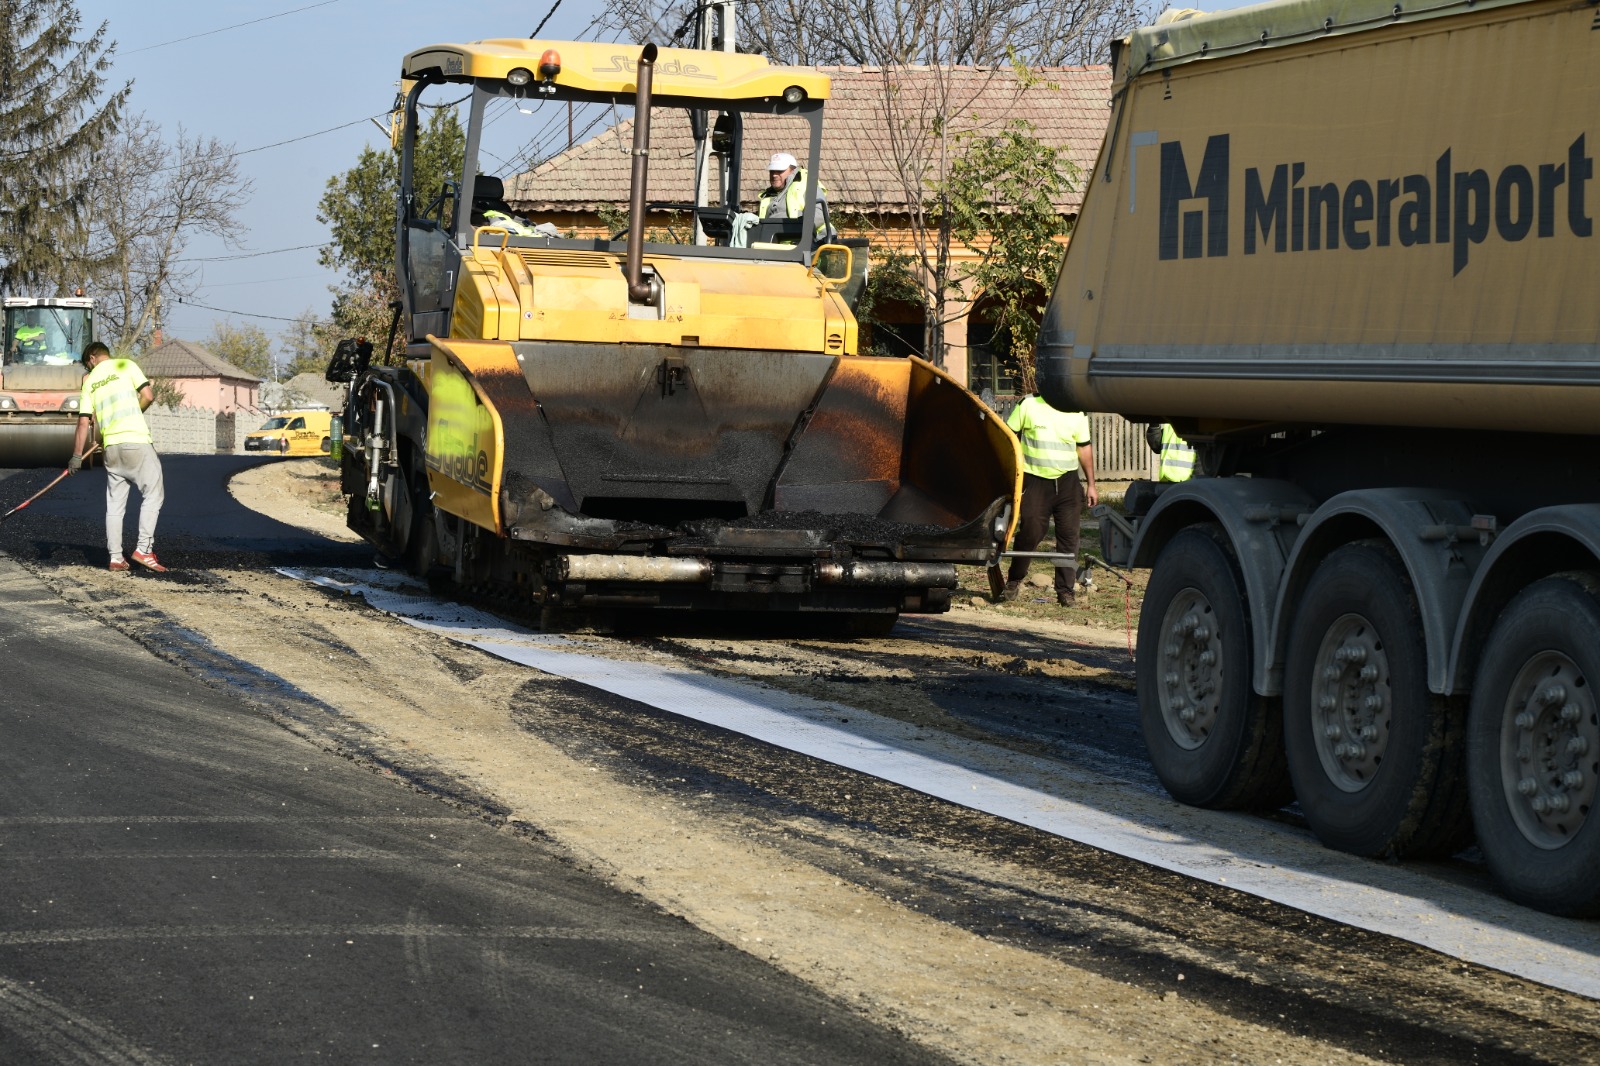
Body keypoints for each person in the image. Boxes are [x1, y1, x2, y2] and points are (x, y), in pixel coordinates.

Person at [69, 342, 167, 573]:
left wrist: (76, 456)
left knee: (114, 505)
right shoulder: (126, 365)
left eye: (87, 365)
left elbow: (83, 421)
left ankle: (115, 557)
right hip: (136, 441)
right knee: (153, 494)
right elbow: (148, 395)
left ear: (92, 358)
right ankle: (144, 549)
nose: (89, 370)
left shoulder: (90, 381)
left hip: (111, 447)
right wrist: (135, 410)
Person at [1003, 391, 1097, 605]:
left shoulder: (1076, 409)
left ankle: (1065, 591)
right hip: (1034, 480)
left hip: (1067, 483)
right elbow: (1008, 438)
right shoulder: (1028, 404)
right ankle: (1015, 579)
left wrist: (1091, 484)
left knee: (1069, 538)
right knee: (1031, 531)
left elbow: (1084, 447)